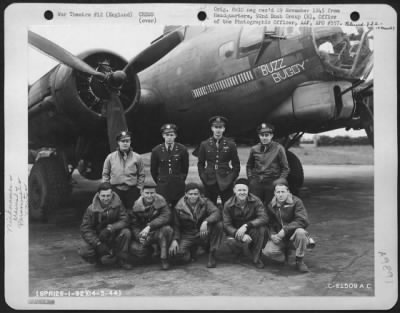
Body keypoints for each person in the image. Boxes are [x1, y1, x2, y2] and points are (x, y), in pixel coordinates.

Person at [78, 182, 132, 269]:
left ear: (112, 195)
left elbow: (125, 220)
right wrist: (97, 243)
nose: (106, 198)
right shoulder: (91, 209)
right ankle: (99, 260)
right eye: (103, 196)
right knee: (83, 251)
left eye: (108, 196)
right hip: (99, 237)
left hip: (114, 235)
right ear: (98, 195)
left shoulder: (118, 204)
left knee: (126, 232)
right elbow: (85, 229)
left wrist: (111, 228)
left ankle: (122, 259)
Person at [169, 183, 223, 268]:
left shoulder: (205, 202)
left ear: (199, 194)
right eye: (190, 194)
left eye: (195, 194)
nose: (193, 196)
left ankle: (212, 254)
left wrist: (206, 222)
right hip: (187, 234)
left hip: (202, 232)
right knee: (177, 256)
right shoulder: (178, 207)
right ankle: (192, 251)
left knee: (218, 225)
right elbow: (176, 225)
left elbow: (216, 212)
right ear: (186, 194)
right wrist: (175, 240)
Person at [263, 182, 311, 273]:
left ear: (288, 192)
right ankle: (284, 252)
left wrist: (285, 230)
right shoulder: (271, 205)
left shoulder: (296, 202)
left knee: (301, 233)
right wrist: (272, 235)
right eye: (278, 192)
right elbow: (269, 223)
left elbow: (302, 220)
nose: (280, 194)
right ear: (274, 193)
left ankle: (299, 260)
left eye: (283, 191)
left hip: (294, 235)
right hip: (280, 237)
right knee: (267, 251)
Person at [223, 178, 268, 269]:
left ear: (248, 190)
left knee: (262, 229)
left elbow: (264, 217)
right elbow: (226, 224)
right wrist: (237, 233)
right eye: (239, 190)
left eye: (244, 190)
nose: (242, 192)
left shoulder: (256, 200)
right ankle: (238, 252)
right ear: (234, 191)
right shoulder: (228, 204)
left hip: (251, 229)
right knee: (230, 240)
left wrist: (247, 225)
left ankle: (256, 257)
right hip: (236, 231)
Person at [128, 183, 173, 270]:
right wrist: (139, 237)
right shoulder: (136, 206)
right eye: (147, 193)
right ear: (142, 193)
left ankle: (164, 258)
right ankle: (149, 254)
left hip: (158, 231)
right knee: (134, 248)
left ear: (155, 193)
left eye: (152, 193)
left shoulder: (162, 202)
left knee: (167, 230)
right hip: (144, 234)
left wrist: (149, 227)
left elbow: (166, 216)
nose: (149, 195)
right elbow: (134, 225)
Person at [198, 116, 240, 206]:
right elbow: (200, 163)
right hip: (209, 180)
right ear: (212, 128)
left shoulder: (231, 144)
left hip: (225, 179)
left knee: (228, 206)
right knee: (209, 207)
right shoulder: (204, 144)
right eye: (216, 127)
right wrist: (203, 176)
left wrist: (231, 178)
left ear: (224, 129)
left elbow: (236, 164)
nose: (218, 130)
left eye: (220, 127)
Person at [246, 122, 289, 205]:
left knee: (271, 207)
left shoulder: (279, 148)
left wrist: (279, 181)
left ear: (271, 136)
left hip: (272, 181)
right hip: (257, 182)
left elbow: (285, 168)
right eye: (262, 135)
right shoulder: (254, 149)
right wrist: (251, 179)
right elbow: (249, 166)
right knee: (256, 205)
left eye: (267, 135)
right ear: (259, 136)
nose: (264, 137)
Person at [102, 130, 145, 210]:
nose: (125, 143)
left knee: (132, 212)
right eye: (123, 141)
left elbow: (141, 174)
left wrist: (139, 188)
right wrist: (107, 188)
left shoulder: (137, 157)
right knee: (116, 211)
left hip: (132, 191)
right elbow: (105, 174)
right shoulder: (110, 157)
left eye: (127, 141)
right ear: (118, 142)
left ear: (130, 142)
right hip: (116, 190)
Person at [150, 123, 189, 208]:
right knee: (163, 209)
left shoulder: (182, 149)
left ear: (175, 136)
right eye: (167, 135)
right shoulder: (156, 150)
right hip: (163, 187)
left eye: (171, 135)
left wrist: (180, 179)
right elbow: (153, 170)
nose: (169, 137)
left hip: (178, 185)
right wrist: (160, 181)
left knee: (179, 209)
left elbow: (185, 169)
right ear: (163, 136)